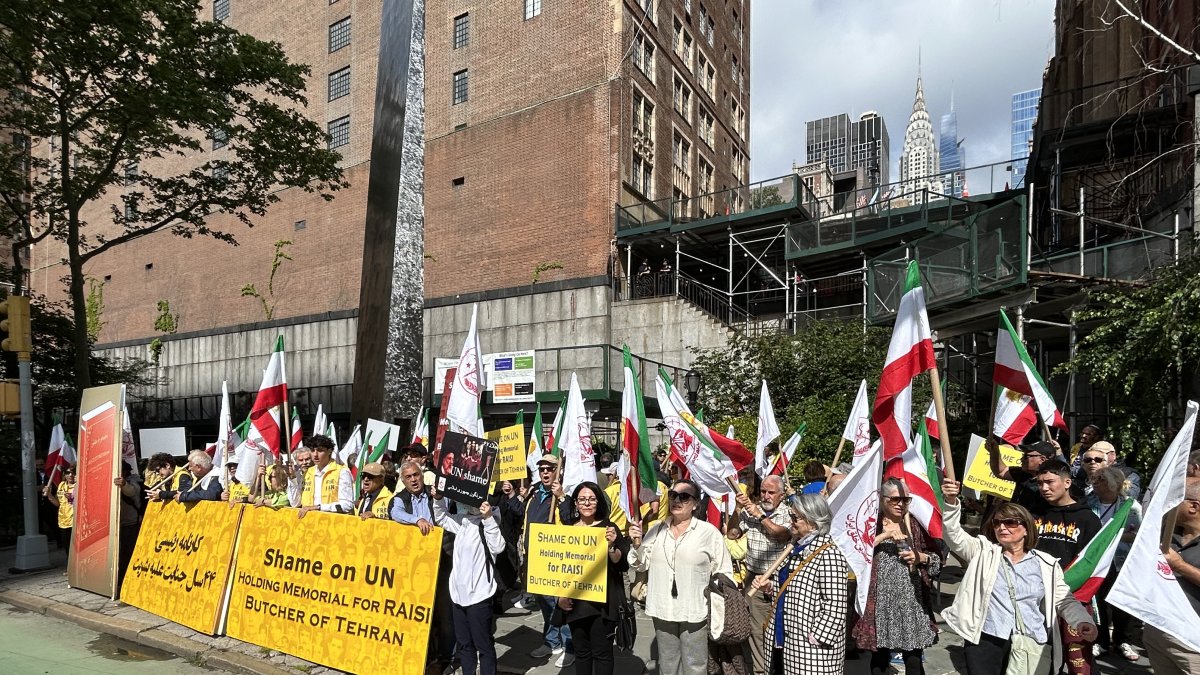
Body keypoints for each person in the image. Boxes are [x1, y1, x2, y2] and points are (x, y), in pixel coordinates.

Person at [939, 478, 1097, 674]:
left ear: (1026, 528)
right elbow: (952, 534)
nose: (1002, 527)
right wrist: (951, 501)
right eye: (997, 523)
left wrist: (1082, 620)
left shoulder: (1045, 563)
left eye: (1010, 523)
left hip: (1030, 639)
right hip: (986, 637)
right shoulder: (983, 552)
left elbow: (1063, 600)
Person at [628, 479, 732, 675]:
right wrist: (636, 544)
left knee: (695, 666)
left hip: (695, 610)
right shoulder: (657, 529)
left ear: (695, 504)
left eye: (684, 497)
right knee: (667, 665)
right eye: (673, 495)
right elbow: (639, 564)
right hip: (662, 608)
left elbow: (724, 571)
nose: (677, 500)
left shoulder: (708, 532)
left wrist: (717, 602)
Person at [750, 493, 850, 675]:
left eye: (795, 518)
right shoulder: (796, 546)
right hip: (786, 641)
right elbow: (793, 588)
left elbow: (836, 604)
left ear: (813, 521)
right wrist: (769, 587)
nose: (790, 522)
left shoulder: (829, 554)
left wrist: (817, 638)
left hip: (811, 651)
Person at [853, 478, 941, 675]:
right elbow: (857, 552)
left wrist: (922, 557)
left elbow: (936, 558)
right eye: (895, 499)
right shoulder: (870, 523)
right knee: (879, 659)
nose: (901, 504)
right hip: (880, 603)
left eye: (905, 499)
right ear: (882, 499)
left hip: (912, 602)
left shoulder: (915, 525)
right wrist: (884, 535)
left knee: (913, 660)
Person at [1032, 459, 1102, 673]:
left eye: (1050, 482)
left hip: (1072, 598)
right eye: (1040, 483)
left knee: (1078, 658)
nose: (1044, 488)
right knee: (1040, 656)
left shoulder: (1087, 519)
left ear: (1067, 482)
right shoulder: (1034, 513)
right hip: (1036, 596)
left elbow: (1094, 562)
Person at [558, 482, 629, 675]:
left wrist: (612, 545)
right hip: (575, 604)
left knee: (602, 653)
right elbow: (558, 567)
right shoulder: (568, 529)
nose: (587, 503)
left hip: (603, 605)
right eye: (582, 499)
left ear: (598, 502)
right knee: (581, 653)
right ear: (575, 503)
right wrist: (560, 596)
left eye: (591, 499)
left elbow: (621, 564)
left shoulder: (609, 528)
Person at [433, 493, 506, 675]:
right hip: (458, 595)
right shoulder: (463, 521)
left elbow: (498, 547)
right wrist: (439, 498)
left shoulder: (489, 522)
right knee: (465, 645)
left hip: (479, 596)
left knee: (484, 645)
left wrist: (488, 518)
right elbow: (441, 517)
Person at [735, 474, 792, 675]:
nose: (766, 496)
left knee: (782, 629)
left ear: (782, 495)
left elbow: (780, 534)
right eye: (763, 492)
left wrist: (759, 516)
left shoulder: (789, 514)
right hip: (755, 579)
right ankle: (761, 670)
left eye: (771, 492)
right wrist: (737, 510)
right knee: (756, 630)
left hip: (782, 579)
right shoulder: (751, 510)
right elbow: (733, 533)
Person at [1084, 466, 1141, 661]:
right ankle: (1100, 641)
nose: (1095, 484)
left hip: (1120, 560)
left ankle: (1123, 641)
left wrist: (1114, 537)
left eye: (1100, 480)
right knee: (1097, 601)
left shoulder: (1131, 506)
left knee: (1120, 602)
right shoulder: (1088, 503)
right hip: (1096, 560)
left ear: (1112, 484)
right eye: (1095, 480)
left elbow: (1137, 534)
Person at [1147, 477, 1200, 674]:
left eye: (1176, 498)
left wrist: (1180, 565)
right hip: (1159, 632)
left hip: (1193, 640)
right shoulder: (1167, 535)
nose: (1167, 504)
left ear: (1193, 506)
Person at [525, 455, 574, 665]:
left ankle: (569, 647)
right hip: (534, 558)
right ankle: (551, 642)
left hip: (554, 559)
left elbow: (570, 520)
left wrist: (561, 496)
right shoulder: (535, 494)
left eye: (549, 468)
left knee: (560, 603)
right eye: (542, 469)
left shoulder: (565, 496)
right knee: (545, 603)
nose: (545, 472)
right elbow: (522, 516)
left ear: (558, 471)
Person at [288, 435, 353, 516]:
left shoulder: (342, 472)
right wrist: (292, 479)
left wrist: (318, 507)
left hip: (331, 523)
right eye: (312, 450)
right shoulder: (307, 473)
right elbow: (295, 503)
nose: (315, 454)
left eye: (320, 450)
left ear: (329, 451)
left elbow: (347, 505)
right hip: (308, 523)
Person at [987, 436, 1054, 513]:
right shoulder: (1024, 474)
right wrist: (994, 450)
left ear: (1042, 459)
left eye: (1026, 456)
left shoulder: (1054, 483)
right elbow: (1001, 472)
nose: (1021, 459)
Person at [147, 450, 223, 502]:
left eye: (190, 466)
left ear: (199, 467)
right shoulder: (195, 477)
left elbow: (211, 494)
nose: (189, 469)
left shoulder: (215, 476)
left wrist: (184, 496)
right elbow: (184, 491)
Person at [113, 461, 142, 594]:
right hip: (116, 525)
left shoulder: (133, 482)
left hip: (130, 524)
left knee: (127, 555)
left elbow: (131, 492)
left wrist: (123, 484)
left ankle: (128, 584)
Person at [41, 465, 77, 549]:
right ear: (64, 474)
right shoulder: (61, 485)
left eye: (73, 473)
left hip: (75, 523)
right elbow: (58, 503)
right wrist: (49, 494)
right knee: (67, 549)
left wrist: (72, 499)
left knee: (75, 551)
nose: (70, 475)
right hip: (63, 522)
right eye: (68, 473)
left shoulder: (79, 485)